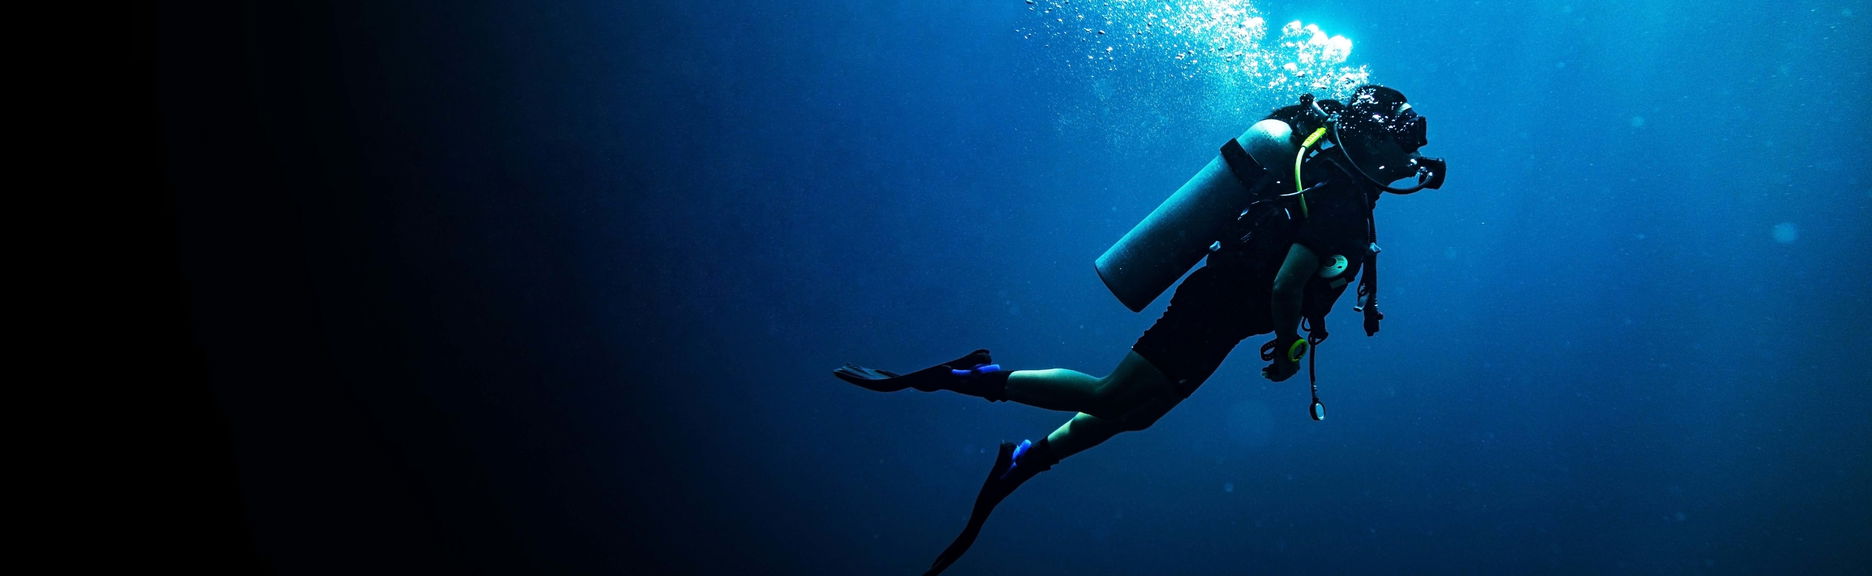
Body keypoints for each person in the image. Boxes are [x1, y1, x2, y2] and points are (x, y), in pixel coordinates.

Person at [835, 85, 1447, 575]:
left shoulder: (1333, 181)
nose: (1408, 163)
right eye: (1401, 148)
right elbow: (1288, 285)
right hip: (1217, 307)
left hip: (1224, 312)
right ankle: (967, 377)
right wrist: (1289, 350)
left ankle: (1024, 458)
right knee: (1109, 396)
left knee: (1139, 414)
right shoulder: (1340, 200)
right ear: (1372, 143)